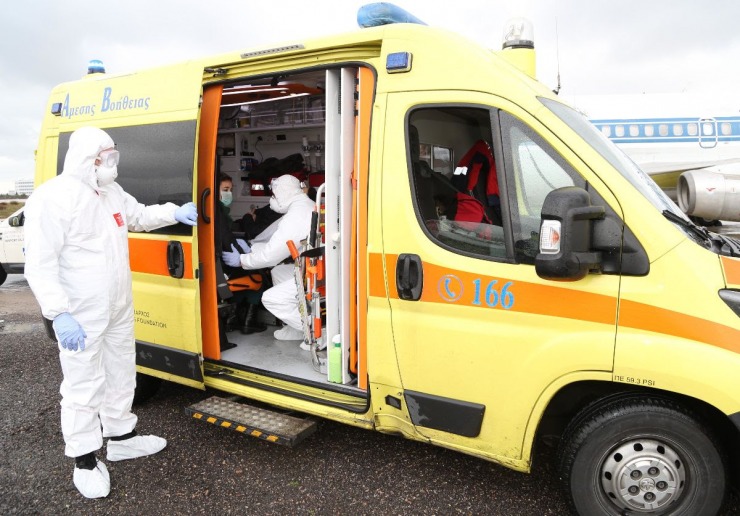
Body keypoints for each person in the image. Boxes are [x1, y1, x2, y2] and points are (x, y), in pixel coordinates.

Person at [23, 126, 198, 499]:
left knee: (121, 371)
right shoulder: (53, 198)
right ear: (89, 159)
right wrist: (58, 312)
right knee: (83, 385)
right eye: (108, 157)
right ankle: (84, 460)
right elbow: (39, 263)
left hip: (118, 305)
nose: (113, 164)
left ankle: (121, 437)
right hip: (80, 313)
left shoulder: (111, 192)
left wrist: (175, 211)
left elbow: (139, 216)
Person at [222, 174, 314, 346]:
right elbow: (273, 238)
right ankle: (296, 327)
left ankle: (316, 333)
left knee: (271, 299)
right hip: (315, 267)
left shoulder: (297, 215)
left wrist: (242, 260)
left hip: (316, 273)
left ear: (283, 193)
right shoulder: (303, 206)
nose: (272, 200)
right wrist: (253, 246)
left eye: (274, 195)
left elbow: (271, 255)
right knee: (278, 272)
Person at [214, 172, 266, 342]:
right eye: (225, 189)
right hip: (226, 266)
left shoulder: (219, 212)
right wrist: (245, 252)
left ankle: (233, 318)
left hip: (222, 265)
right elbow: (226, 241)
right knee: (260, 276)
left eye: (230, 189)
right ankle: (249, 321)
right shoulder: (218, 213)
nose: (229, 193)